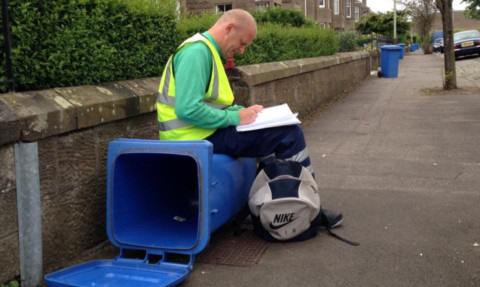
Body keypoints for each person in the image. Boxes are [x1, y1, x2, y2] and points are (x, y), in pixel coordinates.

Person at [156, 9, 342, 228]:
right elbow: (188, 109)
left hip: (202, 133)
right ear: (229, 28)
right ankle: (312, 212)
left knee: (270, 133)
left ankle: (273, 205)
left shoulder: (206, 51)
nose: (242, 50)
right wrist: (235, 118)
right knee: (288, 133)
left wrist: (243, 112)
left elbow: (209, 102)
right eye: (242, 42)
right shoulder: (197, 52)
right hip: (194, 138)